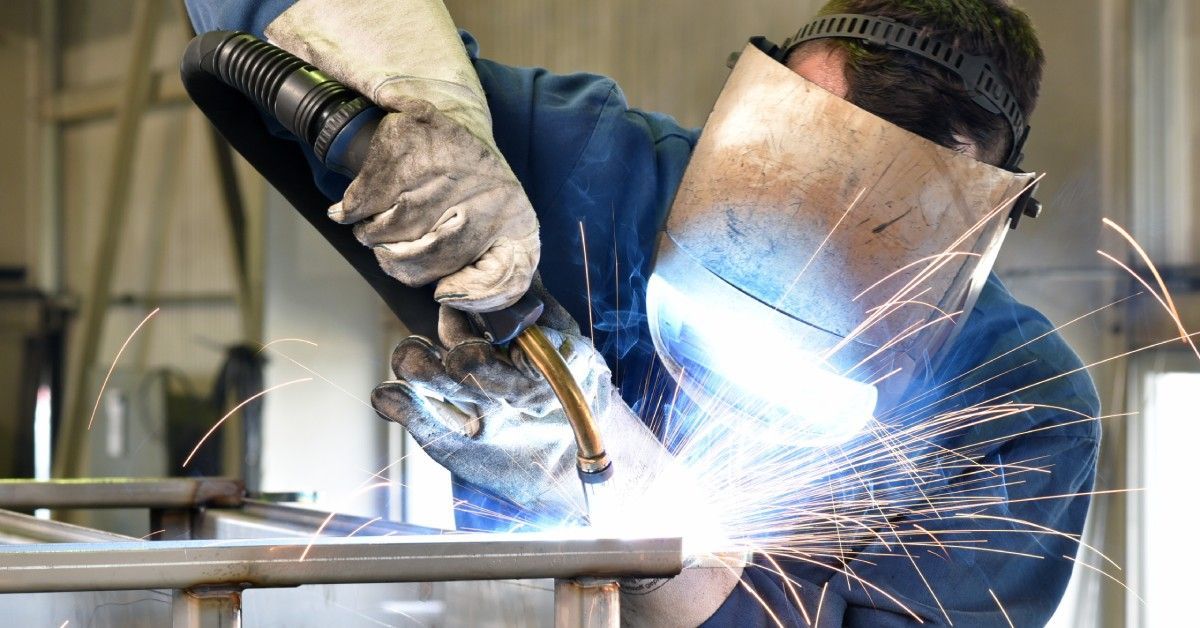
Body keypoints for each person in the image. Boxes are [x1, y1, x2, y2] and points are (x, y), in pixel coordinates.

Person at [187, 1, 1101, 625]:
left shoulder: (1023, 403)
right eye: (805, 168)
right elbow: (253, 19)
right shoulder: (593, 172)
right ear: (755, 109)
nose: (808, 252)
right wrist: (430, 115)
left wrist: (615, 485)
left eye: (877, 220)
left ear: (977, 224)